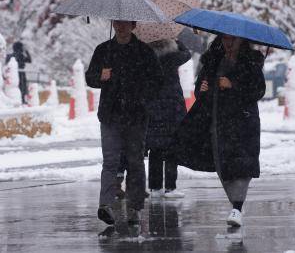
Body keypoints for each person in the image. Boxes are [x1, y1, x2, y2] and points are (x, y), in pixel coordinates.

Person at [172, 34, 265, 228]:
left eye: (233, 39)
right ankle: (236, 204)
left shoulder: (251, 62)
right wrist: (202, 88)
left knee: (241, 165)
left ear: (242, 41)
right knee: (222, 164)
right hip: (216, 121)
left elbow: (258, 91)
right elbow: (201, 89)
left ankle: (237, 207)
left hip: (243, 123)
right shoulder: (213, 60)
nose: (228, 43)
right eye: (225, 39)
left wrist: (233, 85)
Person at [85, 20, 162, 226]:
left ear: (133, 25)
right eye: (116, 23)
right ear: (112, 23)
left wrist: (142, 93)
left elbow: (157, 81)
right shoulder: (103, 50)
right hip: (110, 115)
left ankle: (135, 208)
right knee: (110, 161)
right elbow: (90, 78)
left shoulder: (144, 52)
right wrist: (101, 75)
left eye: (124, 23)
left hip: (136, 116)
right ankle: (105, 205)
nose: (120, 27)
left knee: (135, 161)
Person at [145, 39, 191, 199]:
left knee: (155, 149)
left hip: (153, 106)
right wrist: (178, 41)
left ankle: (155, 187)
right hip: (172, 106)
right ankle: (170, 187)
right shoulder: (173, 56)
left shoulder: (147, 54)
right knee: (172, 148)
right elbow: (187, 54)